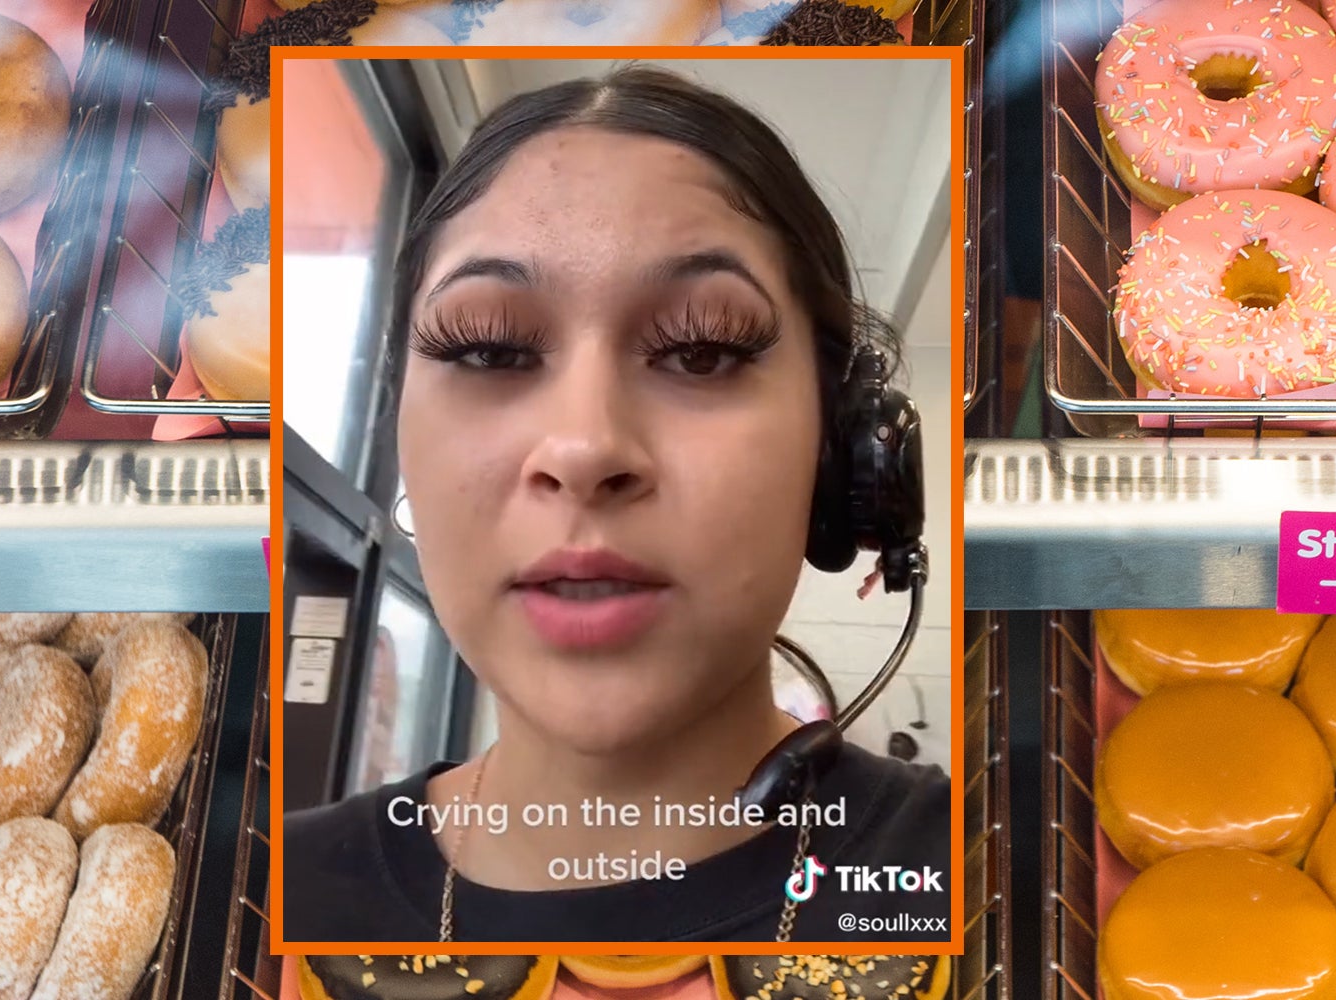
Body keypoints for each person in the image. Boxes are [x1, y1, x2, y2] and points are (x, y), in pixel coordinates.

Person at [282, 63, 952, 943]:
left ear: (838, 452)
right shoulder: (262, 894)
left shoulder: (988, 875)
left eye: (703, 351)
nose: (585, 446)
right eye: (488, 352)